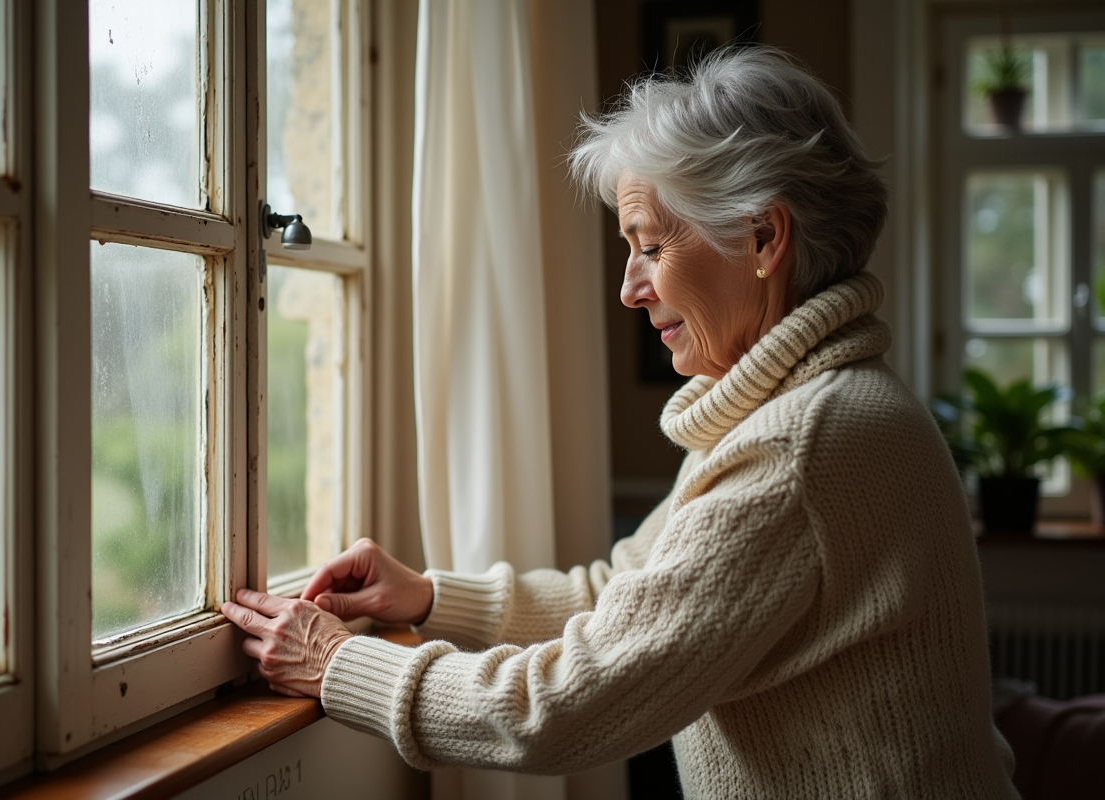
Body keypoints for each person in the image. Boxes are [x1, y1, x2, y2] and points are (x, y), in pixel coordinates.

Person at [222, 46, 1019, 798]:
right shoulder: (800, 409)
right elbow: (626, 595)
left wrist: (337, 666)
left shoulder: (800, 444)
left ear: (763, 236)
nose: (630, 289)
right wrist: (431, 597)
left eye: (650, 246)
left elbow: (571, 705)